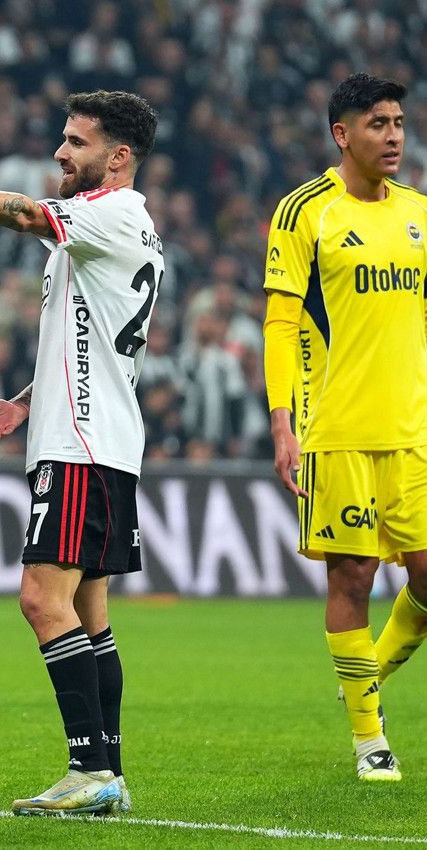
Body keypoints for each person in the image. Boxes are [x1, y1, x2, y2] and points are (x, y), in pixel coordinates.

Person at [0, 89, 162, 815]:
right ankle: (109, 774)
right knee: (89, 613)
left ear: (118, 157)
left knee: (41, 600)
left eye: (76, 142)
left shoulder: (107, 213)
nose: (59, 152)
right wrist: (23, 400)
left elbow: (20, 214)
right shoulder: (127, 225)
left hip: (80, 444)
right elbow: (87, 336)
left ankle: (87, 771)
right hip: (103, 440)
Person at [263, 73, 427, 782]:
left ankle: (366, 675)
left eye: (398, 122)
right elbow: (279, 323)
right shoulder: (305, 211)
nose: (393, 136)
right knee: (353, 579)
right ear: (342, 134)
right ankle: (370, 740)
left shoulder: (419, 212)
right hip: (335, 429)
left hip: (413, 429)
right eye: (377, 124)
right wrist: (282, 424)